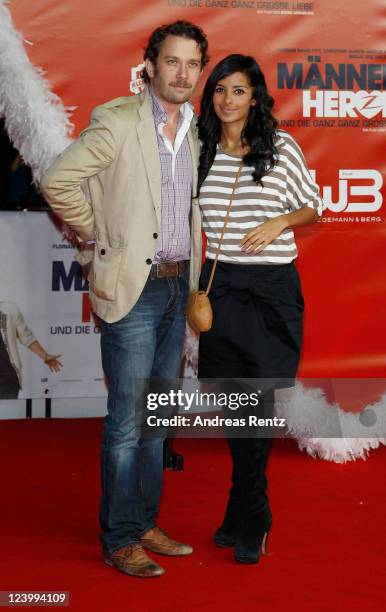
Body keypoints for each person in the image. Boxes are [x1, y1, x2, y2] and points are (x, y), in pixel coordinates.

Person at [41, 21, 208, 578]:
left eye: (192, 64)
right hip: (133, 294)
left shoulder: (197, 131)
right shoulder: (117, 121)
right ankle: (118, 539)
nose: (181, 73)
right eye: (171, 62)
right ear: (151, 65)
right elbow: (59, 181)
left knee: (157, 419)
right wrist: (100, 235)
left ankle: (143, 523)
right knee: (126, 422)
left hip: (174, 290)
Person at [197, 55, 324, 564]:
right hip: (222, 286)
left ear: (256, 97)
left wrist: (279, 224)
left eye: (239, 91)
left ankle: (255, 513)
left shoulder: (280, 147)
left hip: (272, 289)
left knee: (258, 404)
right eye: (221, 90)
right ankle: (244, 506)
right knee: (235, 405)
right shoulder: (200, 149)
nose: (228, 100)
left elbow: (315, 203)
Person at [0, 300, 62, 398]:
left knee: (7, 412)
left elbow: (26, 336)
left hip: (7, 379)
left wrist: (45, 355)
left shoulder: (10, 309)